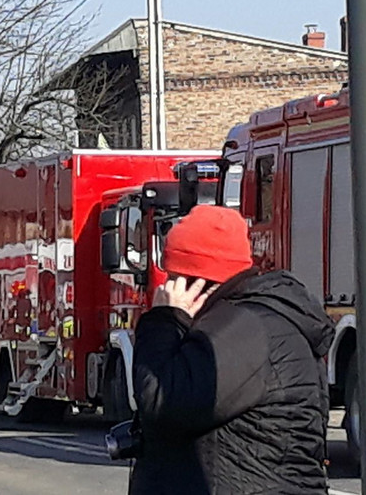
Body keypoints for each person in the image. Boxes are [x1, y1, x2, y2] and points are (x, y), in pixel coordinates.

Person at [129, 205, 334, 495]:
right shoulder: (250, 322)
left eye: (174, 277)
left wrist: (166, 320)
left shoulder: (240, 329)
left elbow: (163, 402)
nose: (168, 288)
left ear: (195, 281)